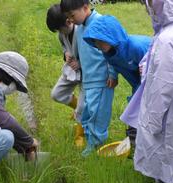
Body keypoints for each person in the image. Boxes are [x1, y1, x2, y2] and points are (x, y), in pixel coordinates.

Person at [125, 0, 173, 183]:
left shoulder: (167, 39)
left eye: (151, 3)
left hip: (167, 120)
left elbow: (161, 89)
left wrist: (149, 126)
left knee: (169, 170)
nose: (147, 8)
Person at [83, 15, 151, 147]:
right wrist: (113, 75)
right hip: (137, 80)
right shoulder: (108, 52)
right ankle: (134, 141)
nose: (97, 45)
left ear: (111, 36)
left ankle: (141, 140)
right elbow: (113, 63)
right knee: (135, 105)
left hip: (152, 77)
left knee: (141, 106)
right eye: (95, 42)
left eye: (100, 41)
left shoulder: (136, 46)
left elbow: (152, 63)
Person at [60, 0, 118, 156]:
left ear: (85, 8)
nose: (70, 20)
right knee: (87, 111)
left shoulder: (99, 22)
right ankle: (90, 139)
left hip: (102, 79)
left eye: (72, 15)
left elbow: (112, 49)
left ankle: (96, 145)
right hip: (88, 79)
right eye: (68, 17)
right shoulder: (79, 28)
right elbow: (78, 52)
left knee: (98, 113)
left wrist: (112, 73)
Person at [46, 4, 85, 147]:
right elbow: (64, 46)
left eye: (60, 29)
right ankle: (77, 108)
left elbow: (93, 53)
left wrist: (80, 63)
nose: (60, 32)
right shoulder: (62, 34)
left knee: (83, 106)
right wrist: (66, 54)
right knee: (56, 94)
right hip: (71, 71)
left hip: (86, 72)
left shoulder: (81, 31)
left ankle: (80, 135)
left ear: (69, 21)